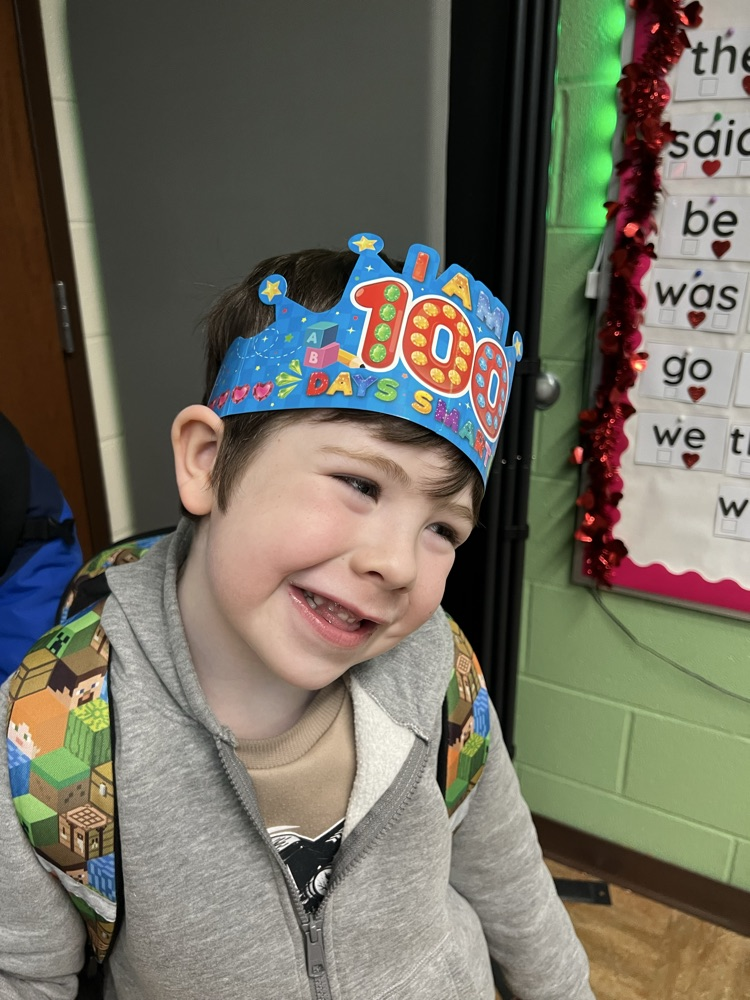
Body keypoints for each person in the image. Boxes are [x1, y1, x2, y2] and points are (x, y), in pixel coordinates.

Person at [0, 234, 595, 999]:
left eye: (443, 528)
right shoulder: (49, 736)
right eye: (360, 484)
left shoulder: (438, 666)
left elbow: (507, 875)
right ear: (207, 460)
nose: (398, 563)